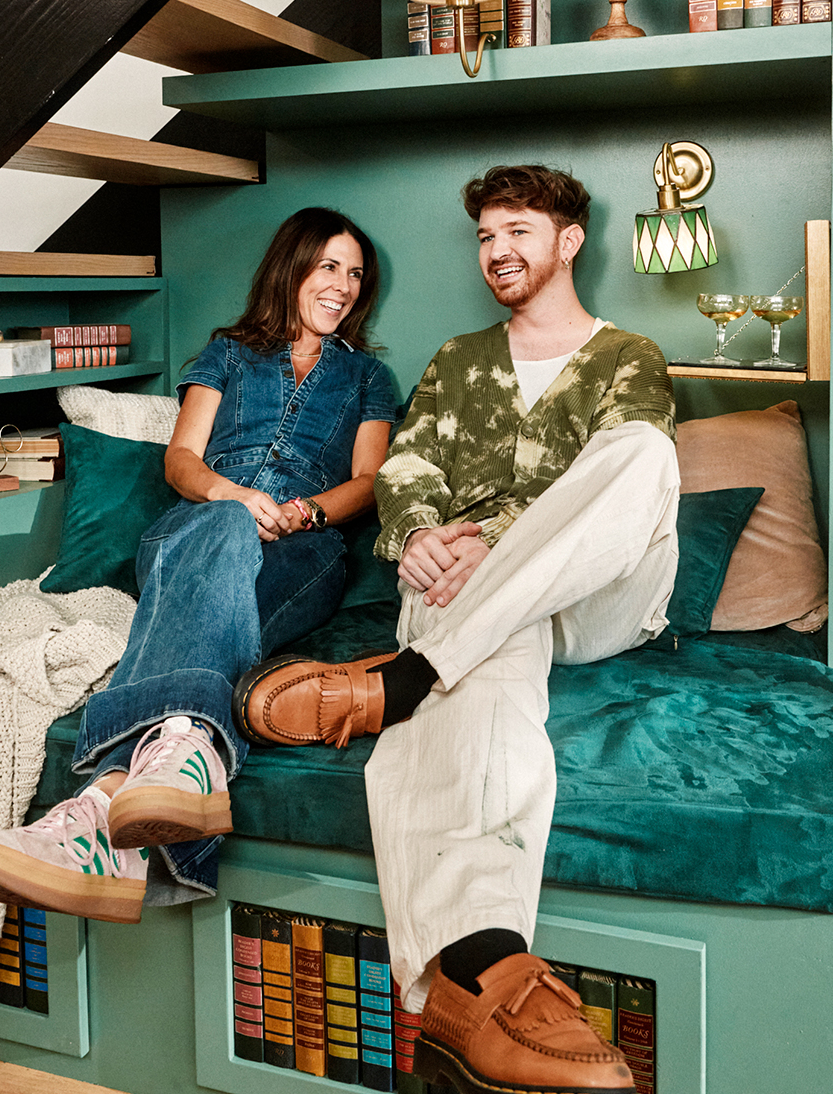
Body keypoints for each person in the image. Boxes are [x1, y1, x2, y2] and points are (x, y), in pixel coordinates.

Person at [236, 167, 679, 1094]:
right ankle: (477, 973)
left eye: (518, 231)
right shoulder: (459, 359)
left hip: (596, 597)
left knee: (643, 454)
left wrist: (496, 548)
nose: (498, 252)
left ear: (568, 241)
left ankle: (400, 678)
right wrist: (422, 537)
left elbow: (614, 507)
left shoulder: (629, 356)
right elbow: (403, 470)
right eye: (485, 237)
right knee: (487, 675)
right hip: (470, 594)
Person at [0, 207, 397, 923]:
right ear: (293, 268)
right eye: (328, 267)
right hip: (195, 529)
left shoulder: (367, 376)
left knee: (226, 590)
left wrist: (306, 512)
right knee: (221, 528)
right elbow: (181, 459)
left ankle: (97, 810)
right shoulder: (226, 352)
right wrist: (234, 499)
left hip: (302, 551)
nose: (342, 286)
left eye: (354, 274)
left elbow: (369, 480)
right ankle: (185, 755)